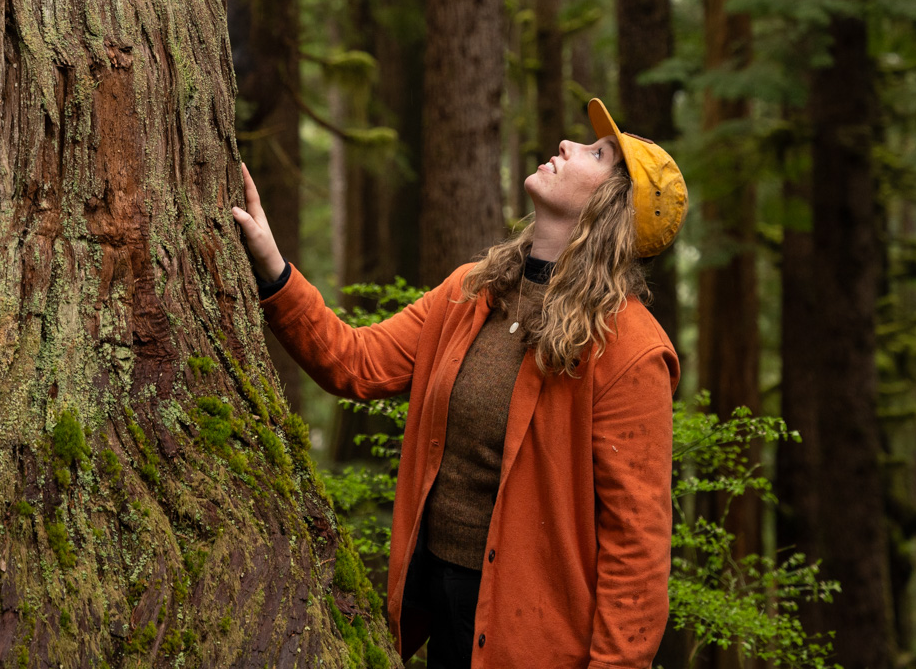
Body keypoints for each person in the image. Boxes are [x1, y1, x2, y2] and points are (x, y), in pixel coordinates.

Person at [231, 98, 685, 669]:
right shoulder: (473, 292)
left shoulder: (630, 350)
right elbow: (356, 362)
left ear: (612, 206)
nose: (568, 144)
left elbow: (637, 548)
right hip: (438, 608)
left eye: (598, 154)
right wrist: (271, 267)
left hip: (533, 639)